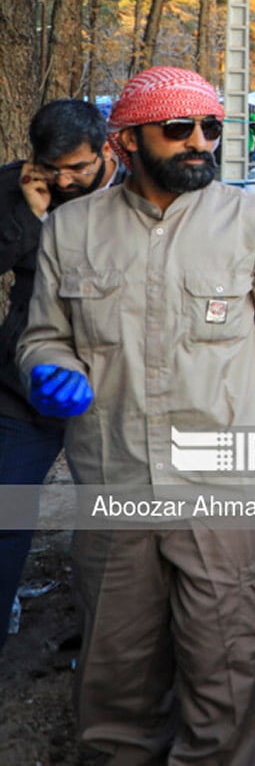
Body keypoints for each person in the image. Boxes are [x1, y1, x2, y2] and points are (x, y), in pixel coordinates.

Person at [19, 65, 255, 762]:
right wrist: (49, 368)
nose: (200, 142)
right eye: (178, 129)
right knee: (113, 696)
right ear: (126, 141)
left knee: (228, 687)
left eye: (210, 128)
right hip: (116, 492)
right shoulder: (71, 230)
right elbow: (44, 333)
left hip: (229, 497)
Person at [0, 100, 117, 653]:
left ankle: (111, 642)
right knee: (7, 512)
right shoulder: (14, 187)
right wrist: (29, 213)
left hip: (116, 388)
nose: (65, 180)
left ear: (106, 150)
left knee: (121, 524)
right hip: (25, 386)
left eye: (78, 168)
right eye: (53, 168)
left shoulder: (140, 194)